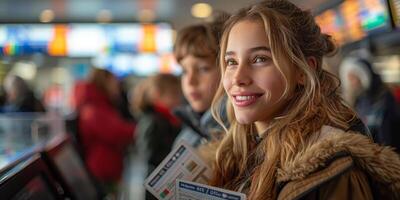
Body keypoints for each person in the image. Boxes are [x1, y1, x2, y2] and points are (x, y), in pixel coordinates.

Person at [203, 1, 400, 199]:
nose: (237, 77)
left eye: (259, 59)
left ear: (303, 71)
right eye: (231, 62)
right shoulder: (225, 158)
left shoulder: (333, 170)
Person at [74, 68, 135, 196]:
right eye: (113, 83)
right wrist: (139, 129)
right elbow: (116, 131)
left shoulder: (100, 104)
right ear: (104, 83)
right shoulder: (93, 108)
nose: (117, 87)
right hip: (102, 169)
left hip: (107, 166)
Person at [173, 13, 229, 148]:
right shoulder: (189, 131)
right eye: (184, 71)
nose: (190, 81)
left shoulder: (238, 136)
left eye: (203, 69)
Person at [131, 74, 182, 200]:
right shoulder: (152, 120)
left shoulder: (168, 118)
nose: (179, 99)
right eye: (174, 94)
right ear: (157, 94)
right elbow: (148, 154)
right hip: (156, 183)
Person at [340, 57, 400, 152]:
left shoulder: (384, 97)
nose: (351, 83)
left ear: (363, 76)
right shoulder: (359, 100)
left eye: (353, 78)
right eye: (349, 78)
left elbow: (388, 134)